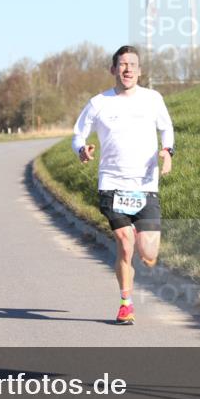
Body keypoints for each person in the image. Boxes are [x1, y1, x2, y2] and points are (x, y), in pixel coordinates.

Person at [72, 45, 175, 325]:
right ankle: (126, 304)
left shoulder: (153, 99)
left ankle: (142, 249)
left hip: (145, 185)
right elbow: (78, 134)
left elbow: (167, 129)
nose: (128, 69)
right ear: (113, 69)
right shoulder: (99, 103)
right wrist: (82, 150)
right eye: (122, 64)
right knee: (125, 244)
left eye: (133, 64)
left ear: (140, 71)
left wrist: (167, 152)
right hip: (112, 184)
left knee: (148, 251)